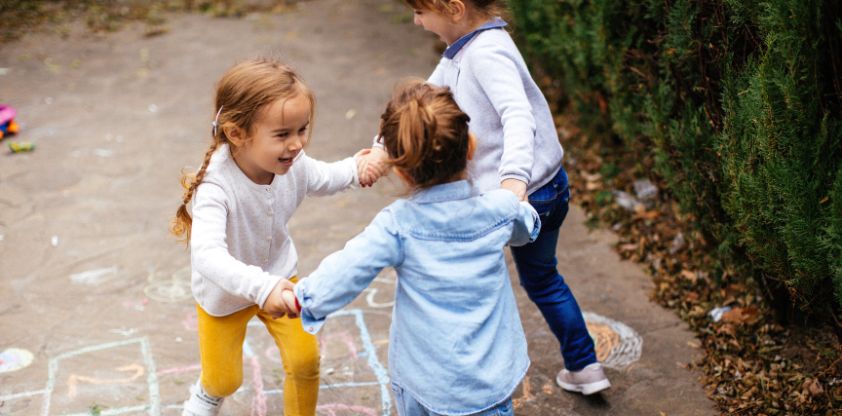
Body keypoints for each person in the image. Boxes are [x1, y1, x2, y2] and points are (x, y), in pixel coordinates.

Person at [358, 0, 610, 395]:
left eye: (421, 12)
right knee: (543, 280)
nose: (415, 20)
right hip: (546, 186)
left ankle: (473, 372)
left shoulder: (488, 53)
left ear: (454, 8)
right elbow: (421, 101)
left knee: (473, 281)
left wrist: (514, 180)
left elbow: (517, 114)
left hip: (522, 196)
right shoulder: (464, 49)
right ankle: (585, 367)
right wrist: (379, 148)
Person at [276, 80, 540, 416]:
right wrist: (523, 210)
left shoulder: (398, 224)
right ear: (470, 146)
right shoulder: (499, 209)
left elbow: (349, 267)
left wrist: (303, 297)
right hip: (488, 384)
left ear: (400, 170)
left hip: (425, 382)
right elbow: (525, 228)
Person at [170, 57, 370, 416]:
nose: (296, 145)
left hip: (279, 276)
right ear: (237, 134)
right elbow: (208, 256)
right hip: (225, 294)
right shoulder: (216, 187)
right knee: (223, 381)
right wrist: (262, 289)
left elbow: (326, 176)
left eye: (302, 130)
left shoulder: (293, 164)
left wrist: (360, 167)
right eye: (282, 135)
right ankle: (205, 394)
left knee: (305, 360)